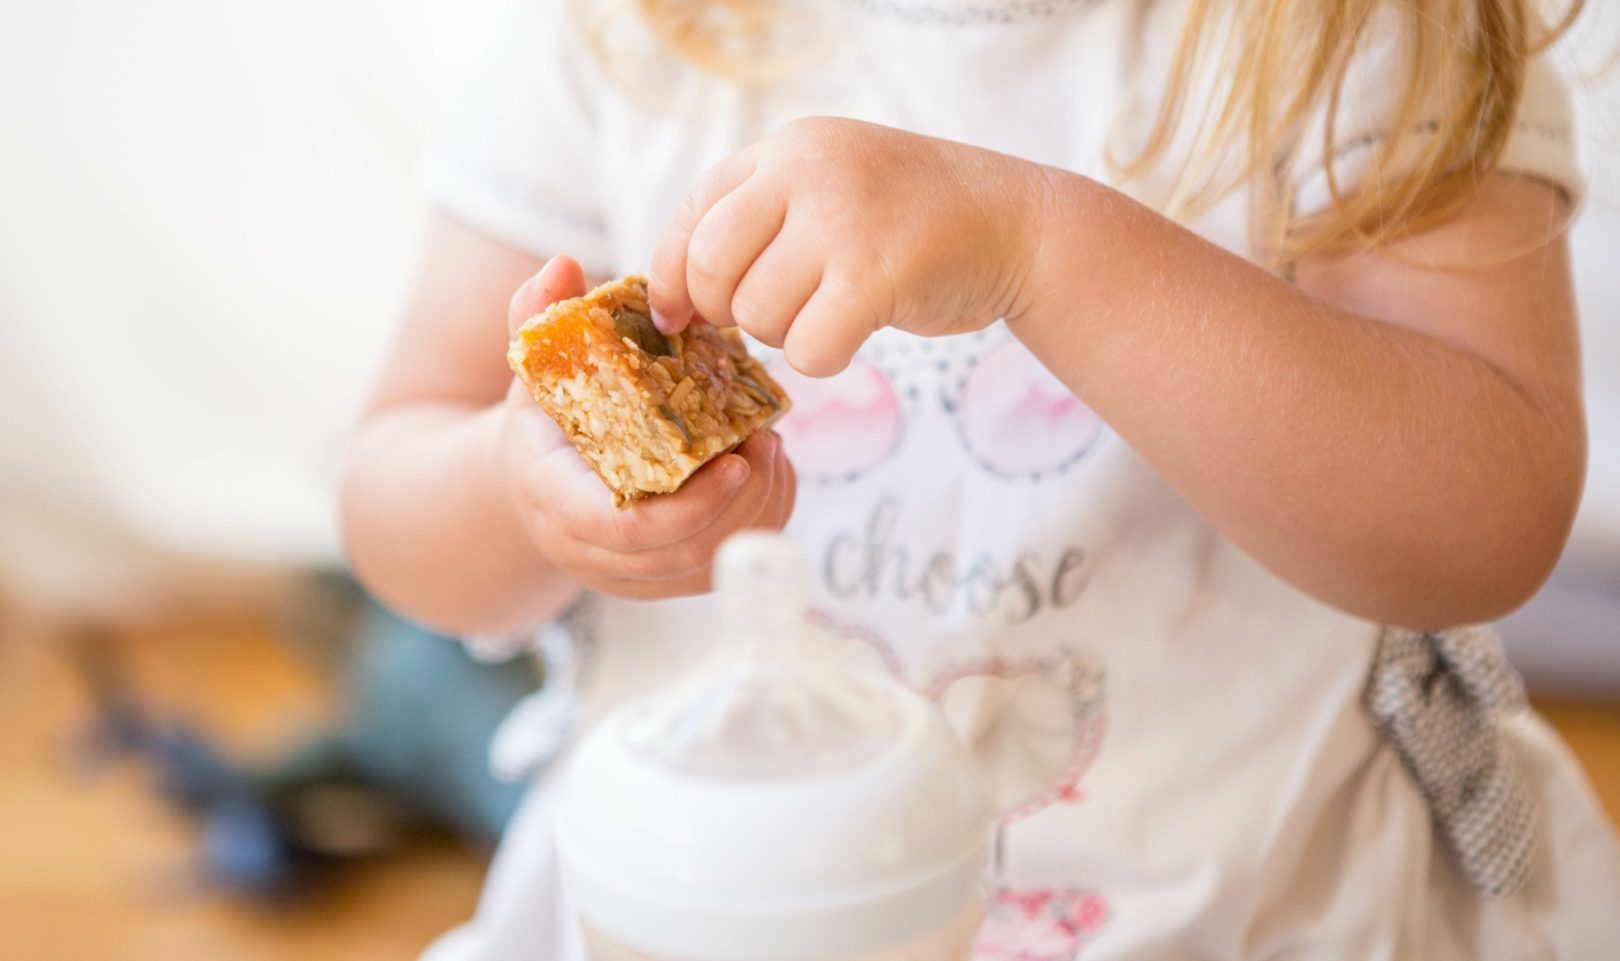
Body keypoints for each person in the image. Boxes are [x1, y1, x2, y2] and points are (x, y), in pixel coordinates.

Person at [340, 0, 1620, 957]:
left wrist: (1042, 249)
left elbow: (1484, 524)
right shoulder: (618, 33)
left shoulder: (1364, 31)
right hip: (699, 911)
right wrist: (519, 488)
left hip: (1242, 911)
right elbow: (394, 494)